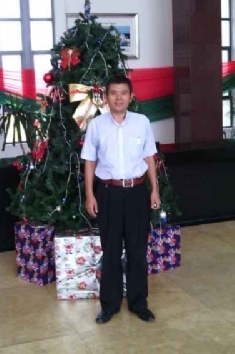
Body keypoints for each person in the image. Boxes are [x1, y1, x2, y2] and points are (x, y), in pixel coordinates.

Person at [81, 74, 160, 324]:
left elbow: (149, 157)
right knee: (111, 251)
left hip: (137, 192)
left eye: (123, 93)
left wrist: (155, 190)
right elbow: (90, 161)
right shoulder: (96, 125)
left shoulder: (142, 122)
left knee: (137, 251)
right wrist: (90, 194)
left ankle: (139, 304)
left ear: (131, 96)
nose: (118, 98)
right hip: (108, 194)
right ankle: (109, 305)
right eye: (113, 93)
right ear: (106, 97)